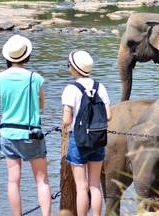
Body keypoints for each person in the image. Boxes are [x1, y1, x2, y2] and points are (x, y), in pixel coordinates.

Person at [0, 35, 51, 216]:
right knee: (42, 181)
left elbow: (1, 103)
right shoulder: (35, 78)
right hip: (31, 134)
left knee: (13, 181)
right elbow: (42, 105)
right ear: (26, 56)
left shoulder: (0, 78)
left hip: (8, 133)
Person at [62, 50, 111, 216]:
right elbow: (108, 115)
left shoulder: (71, 89)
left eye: (69, 65)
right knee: (95, 185)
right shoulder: (100, 86)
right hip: (98, 139)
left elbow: (66, 120)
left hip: (79, 140)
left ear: (75, 69)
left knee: (81, 187)